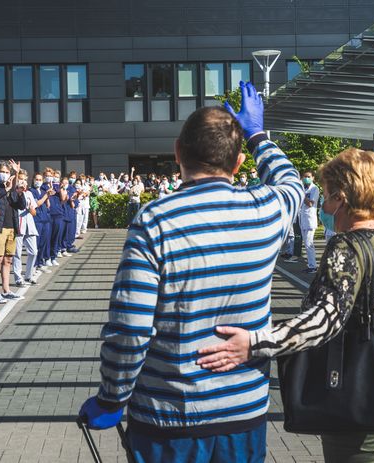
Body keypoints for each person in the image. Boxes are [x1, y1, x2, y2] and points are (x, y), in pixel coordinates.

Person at [79, 82, 305, 462]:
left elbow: (131, 328)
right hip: (243, 413)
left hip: (168, 418)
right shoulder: (267, 210)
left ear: (178, 152)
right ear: (238, 164)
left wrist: (111, 397)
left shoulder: (155, 220)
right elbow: (291, 182)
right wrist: (258, 136)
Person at [197, 148, 374, 463]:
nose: (325, 206)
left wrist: (255, 343)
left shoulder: (346, 247)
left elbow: (324, 320)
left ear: (342, 198)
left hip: (365, 398)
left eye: (326, 197)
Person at [0, 160, 26, 304]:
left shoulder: (13, 186)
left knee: (8, 259)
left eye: (6, 172)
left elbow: (20, 206)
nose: (4, 174)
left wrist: (20, 193)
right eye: (2, 171)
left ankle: (6, 289)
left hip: (12, 227)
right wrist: (7, 189)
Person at [12, 169, 39, 287]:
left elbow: (34, 213)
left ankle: (28, 275)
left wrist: (30, 209)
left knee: (33, 252)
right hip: (18, 225)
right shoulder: (13, 193)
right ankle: (18, 277)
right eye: (20, 179)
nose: (22, 181)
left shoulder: (29, 194)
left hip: (30, 225)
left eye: (24, 179)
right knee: (17, 253)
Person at [30, 172, 53, 272]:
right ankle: (34, 265)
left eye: (40, 180)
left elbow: (48, 205)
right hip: (37, 220)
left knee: (44, 242)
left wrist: (48, 195)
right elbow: (36, 204)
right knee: (37, 243)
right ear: (33, 180)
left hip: (45, 219)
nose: (38, 181)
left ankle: (40, 262)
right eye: (37, 179)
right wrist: (45, 196)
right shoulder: (31, 191)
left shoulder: (43, 191)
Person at [299, 171, 319, 273]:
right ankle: (311, 265)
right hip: (303, 220)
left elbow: (310, 203)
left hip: (310, 220)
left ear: (313, 178)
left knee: (309, 243)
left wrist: (302, 194)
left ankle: (313, 266)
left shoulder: (314, 189)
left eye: (308, 176)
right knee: (306, 244)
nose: (306, 178)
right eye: (305, 176)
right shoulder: (303, 188)